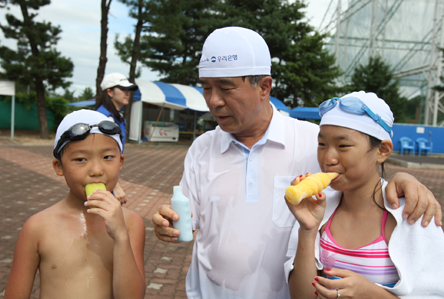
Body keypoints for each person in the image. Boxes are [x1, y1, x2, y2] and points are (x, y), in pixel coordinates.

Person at [152, 26, 442, 298]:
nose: (213, 101)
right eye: (206, 88)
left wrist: (403, 180)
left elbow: (360, 172)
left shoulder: (313, 142)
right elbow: (189, 222)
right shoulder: (202, 148)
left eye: (225, 88)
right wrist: (171, 225)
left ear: (264, 87)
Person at [285, 91, 444, 298]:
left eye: (343, 146)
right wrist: (308, 229)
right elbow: (303, 296)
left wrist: (370, 293)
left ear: (382, 151)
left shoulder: (414, 213)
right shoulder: (319, 211)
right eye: (322, 144)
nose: (328, 158)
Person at [5, 110, 146, 299]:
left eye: (107, 157)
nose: (96, 170)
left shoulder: (131, 224)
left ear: (120, 162)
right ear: (59, 167)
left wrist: (121, 237)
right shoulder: (37, 227)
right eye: (81, 159)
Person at [96, 72, 138, 204]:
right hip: (102, 179)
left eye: (129, 90)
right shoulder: (104, 118)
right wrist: (115, 186)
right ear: (109, 92)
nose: (127, 93)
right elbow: (100, 156)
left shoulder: (115, 116)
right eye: (123, 89)